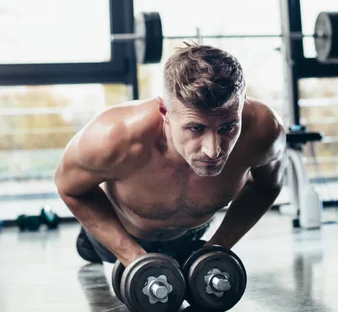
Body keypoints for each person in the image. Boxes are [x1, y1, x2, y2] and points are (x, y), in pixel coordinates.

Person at [55, 44, 287, 267]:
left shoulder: (263, 130)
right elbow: (70, 188)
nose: (213, 150)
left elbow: (266, 186)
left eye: (227, 127)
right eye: (196, 128)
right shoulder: (113, 137)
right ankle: (87, 241)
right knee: (92, 252)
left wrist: (218, 246)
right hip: (122, 228)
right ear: (165, 112)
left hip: (192, 236)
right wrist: (132, 257)